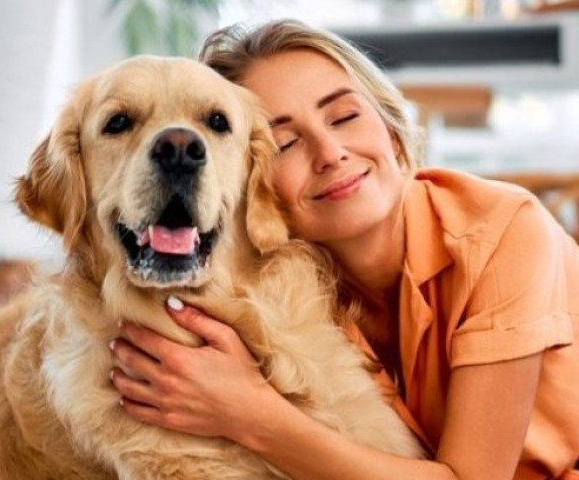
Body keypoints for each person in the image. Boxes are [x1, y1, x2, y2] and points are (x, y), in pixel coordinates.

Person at [109, 19, 579, 479]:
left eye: (345, 116)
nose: (330, 151)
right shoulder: (280, 290)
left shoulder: (504, 230)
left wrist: (250, 412)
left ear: (392, 131)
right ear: (251, 184)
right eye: (285, 143)